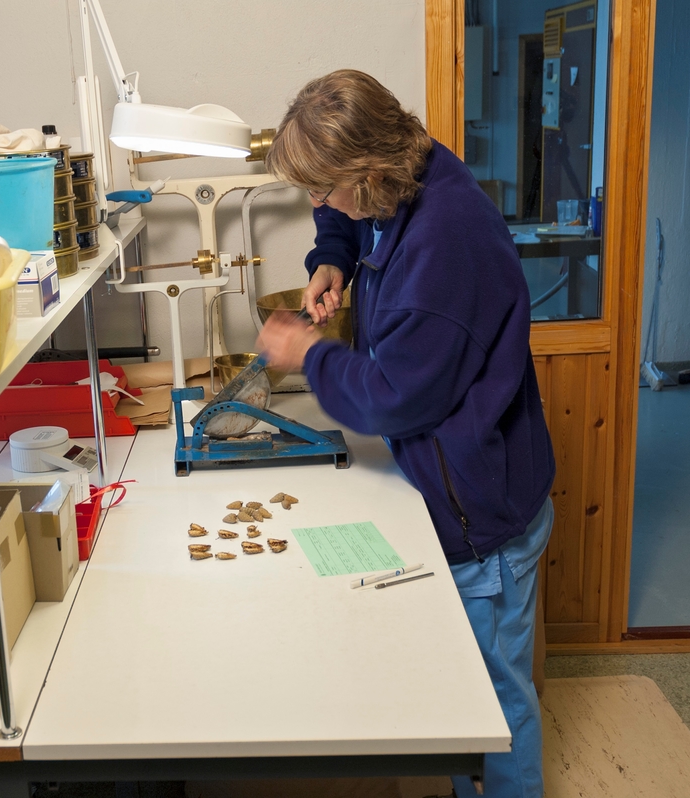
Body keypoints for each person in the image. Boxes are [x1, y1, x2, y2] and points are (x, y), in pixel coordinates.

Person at [257, 69, 556, 798]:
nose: (317, 204)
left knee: (493, 701)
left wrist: (310, 355)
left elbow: (395, 399)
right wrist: (332, 255)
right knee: (459, 692)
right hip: (453, 494)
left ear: (368, 169)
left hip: (482, 521)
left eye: (323, 190)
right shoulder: (409, 172)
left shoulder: (445, 245)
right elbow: (349, 218)